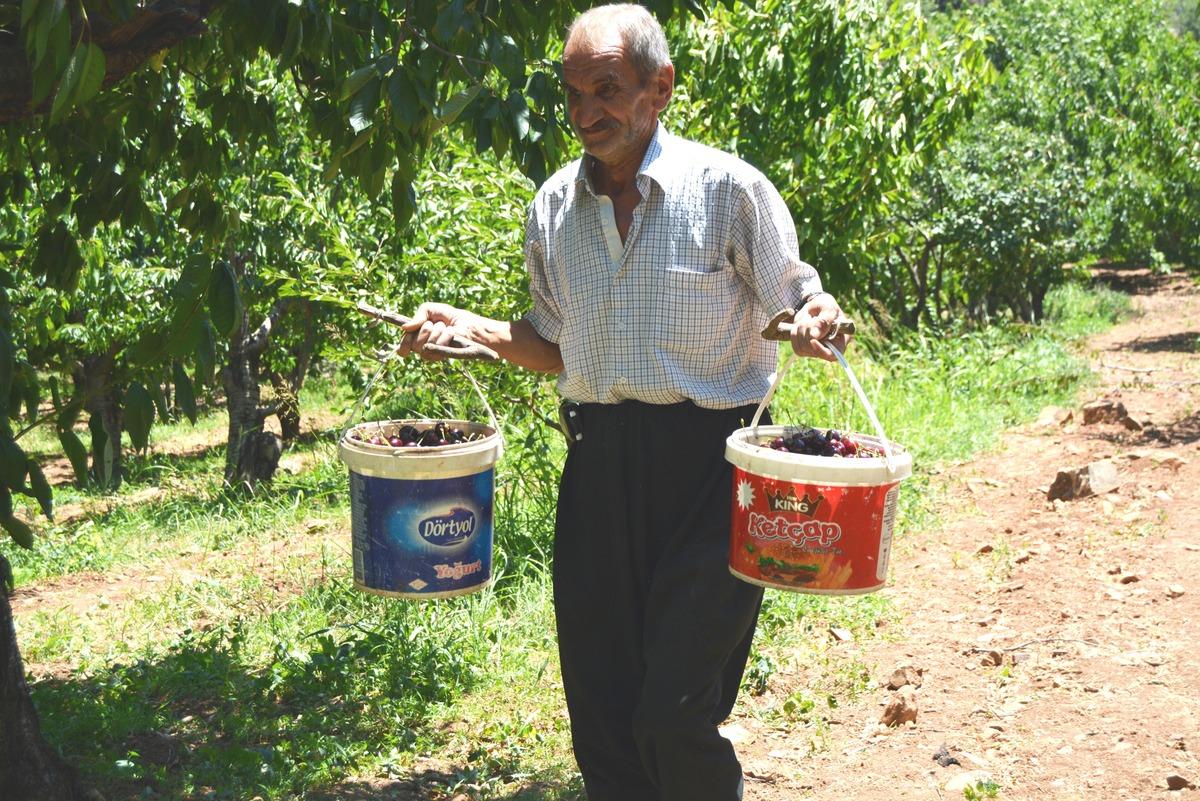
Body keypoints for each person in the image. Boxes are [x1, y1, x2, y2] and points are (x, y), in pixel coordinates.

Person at [398, 5, 850, 799]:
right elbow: (553, 343)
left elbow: (793, 302)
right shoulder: (553, 210)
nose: (585, 114)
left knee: (675, 712)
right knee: (602, 722)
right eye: (573, 96)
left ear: (659, 88)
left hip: (715, 471)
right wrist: (466, 327)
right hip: (598, 468)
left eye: (605, 90)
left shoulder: (728, 191)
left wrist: (815, 318)